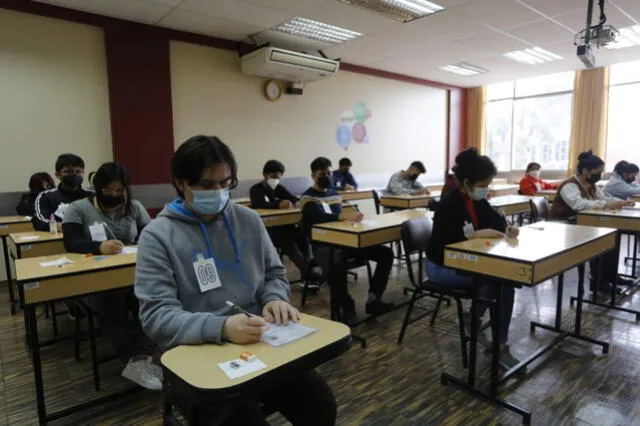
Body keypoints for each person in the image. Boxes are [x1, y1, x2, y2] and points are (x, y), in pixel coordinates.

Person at [135, 135, 337, 425]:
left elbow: (274, 273)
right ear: (181, 183)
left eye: (224, 183)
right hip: (198, 355)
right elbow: (156, 316)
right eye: (206, 185)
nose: (217, 192)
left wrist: (275, 298)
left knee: (320, 407)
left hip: (261, 341)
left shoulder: (248, 220)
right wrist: (222, 327)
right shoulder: (157, 236)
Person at [62, 162, 160, 390]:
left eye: (119, 190)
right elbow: (71, 242)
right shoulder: (78, 208)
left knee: (151, 300)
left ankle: (141, 358)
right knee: (112, 303)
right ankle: (132, 358)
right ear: (98, 188)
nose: (115, 195)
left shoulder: (133, 206)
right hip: (98, 277)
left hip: (134, 273)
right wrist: (98, 247)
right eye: (109, 190)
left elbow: (150, 232)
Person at [425, 148, 521, 369]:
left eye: (488, 184)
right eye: (483, 185)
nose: (486, 190)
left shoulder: (478, 201)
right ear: (468, 183)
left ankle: (493, 338)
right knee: (497, 282)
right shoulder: (448, 205)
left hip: (468, 262)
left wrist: (509, 228)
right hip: (442, 265)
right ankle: (488, 335)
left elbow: (496, 222)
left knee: (504, 282)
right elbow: (445, 245)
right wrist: (473, 235)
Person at [300, 157, 394, 326]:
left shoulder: (334, 194)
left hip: (345, 240)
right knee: (336, 264)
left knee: (385, 253)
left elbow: (342, 217)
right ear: (314, 175)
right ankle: (346, 305)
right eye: (322, 174)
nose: (327, 176)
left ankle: (374, 299)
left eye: (329, 173)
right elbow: (317, 218)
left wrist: (353, 219)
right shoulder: (308, 197)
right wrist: (343, 216)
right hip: (323, 244)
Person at [550, 150, 633, 293]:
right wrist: (605, 205)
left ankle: (610, 276)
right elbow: (578, 205)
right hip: (565, 227)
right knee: (600, 238)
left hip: (582, 223)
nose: (599, 176)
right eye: (597, 172)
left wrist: (620, 202)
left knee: (614, 234)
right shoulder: (570, 185)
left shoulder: (591, 185)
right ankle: (598, 281)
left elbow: (604, 198)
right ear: (585, 171)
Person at [250, 160, 322, 286]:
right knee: (285, 238)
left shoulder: (279, 188)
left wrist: (294, 202)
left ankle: (306, 277)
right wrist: (278, 204)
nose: (276, 180)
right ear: (265, 175)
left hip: (284, 224)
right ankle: (307, 270)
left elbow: (293, 198)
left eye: (278, 177)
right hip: (268, 228)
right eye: (273, 177)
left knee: (301, 234)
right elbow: (259, 204)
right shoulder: (256, 189)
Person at [32, 153, 93, 231]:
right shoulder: (46, 196)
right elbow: (39, 221)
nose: (74, 175)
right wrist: (69, 227)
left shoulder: (92, 195)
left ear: (83, 173)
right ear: (57, 175)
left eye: (78, 171)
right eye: (68, 171)